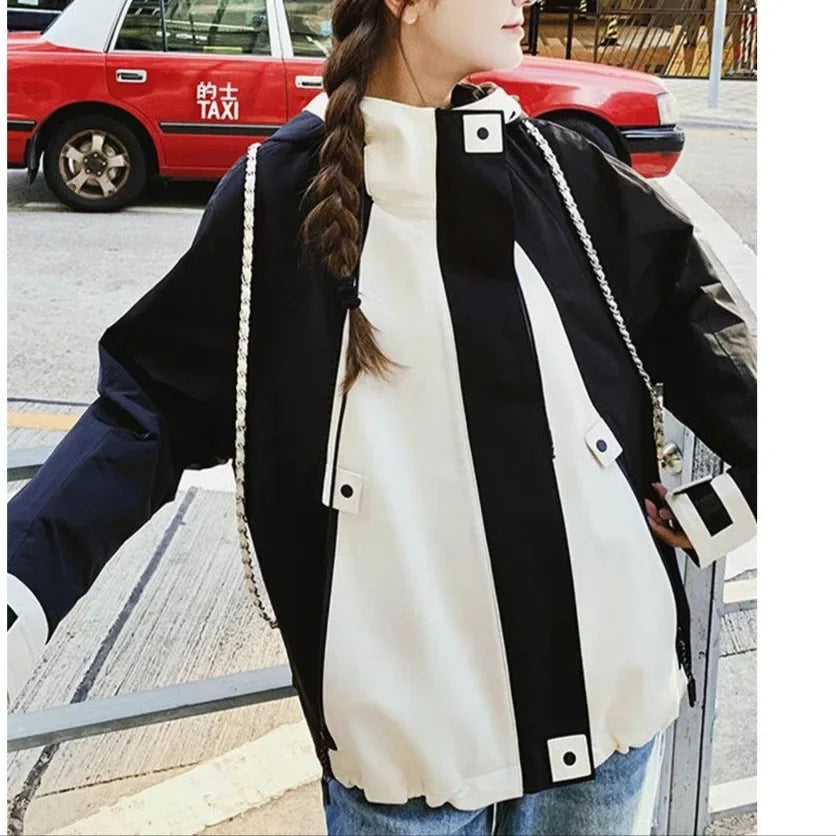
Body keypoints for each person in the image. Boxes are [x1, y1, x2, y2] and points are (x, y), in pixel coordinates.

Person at [7, 0, 757, 832]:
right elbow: (148, 407)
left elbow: (710, 331)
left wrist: (733, 503)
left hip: (609, 707)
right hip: (406, 747)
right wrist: (19, 588)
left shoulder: (562, 171)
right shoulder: (274, 200)